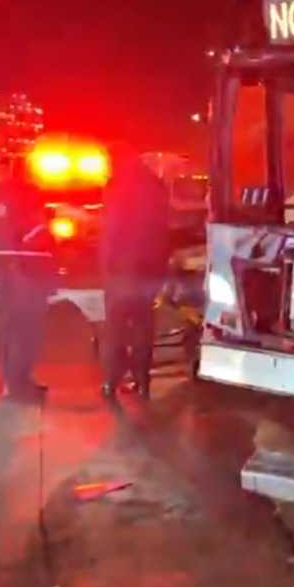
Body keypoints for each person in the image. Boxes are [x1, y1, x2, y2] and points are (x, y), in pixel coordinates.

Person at [100, 146, 170, 400]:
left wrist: (106, 265)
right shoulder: (156, 186)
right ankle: (142, 381)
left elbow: (111, 229)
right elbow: (164, 230)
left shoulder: (117, 186)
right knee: (143, 325)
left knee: (116, 327)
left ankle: (111, 381)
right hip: (150, 270)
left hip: (122, 270)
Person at [0, 160, 56, 401]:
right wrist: (14, 268)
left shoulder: (10, 196)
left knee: (25, 330)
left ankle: (19, 380)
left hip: (25, 273)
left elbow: (4, 238)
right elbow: (7, 238)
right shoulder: (17, 196)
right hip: (25, 274)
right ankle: (16, 382)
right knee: (22, 330)